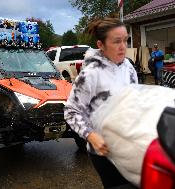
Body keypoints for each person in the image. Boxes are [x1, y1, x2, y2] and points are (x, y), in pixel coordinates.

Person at [64, 17, 138, 189]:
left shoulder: (128, 66)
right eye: (116, 41)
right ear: (101, 45)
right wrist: (91, 136)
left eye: (125, 40)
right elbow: (71, 111)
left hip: (128, 144)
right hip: (103, 151)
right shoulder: (90, 74)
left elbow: (135, 97)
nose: (123, 46)